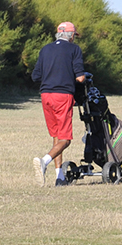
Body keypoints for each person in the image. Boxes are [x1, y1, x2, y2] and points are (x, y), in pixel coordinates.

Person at [31, 21, 87, 185]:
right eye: (74, 36)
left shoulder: (45, 49)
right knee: (66, 139)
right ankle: (44, 161)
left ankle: (60, 178)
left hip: (45, 96)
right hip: (62, 96)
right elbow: (80, 77)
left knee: (56, 136)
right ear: (70, 36)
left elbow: (35, 76)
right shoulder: (74, 49)